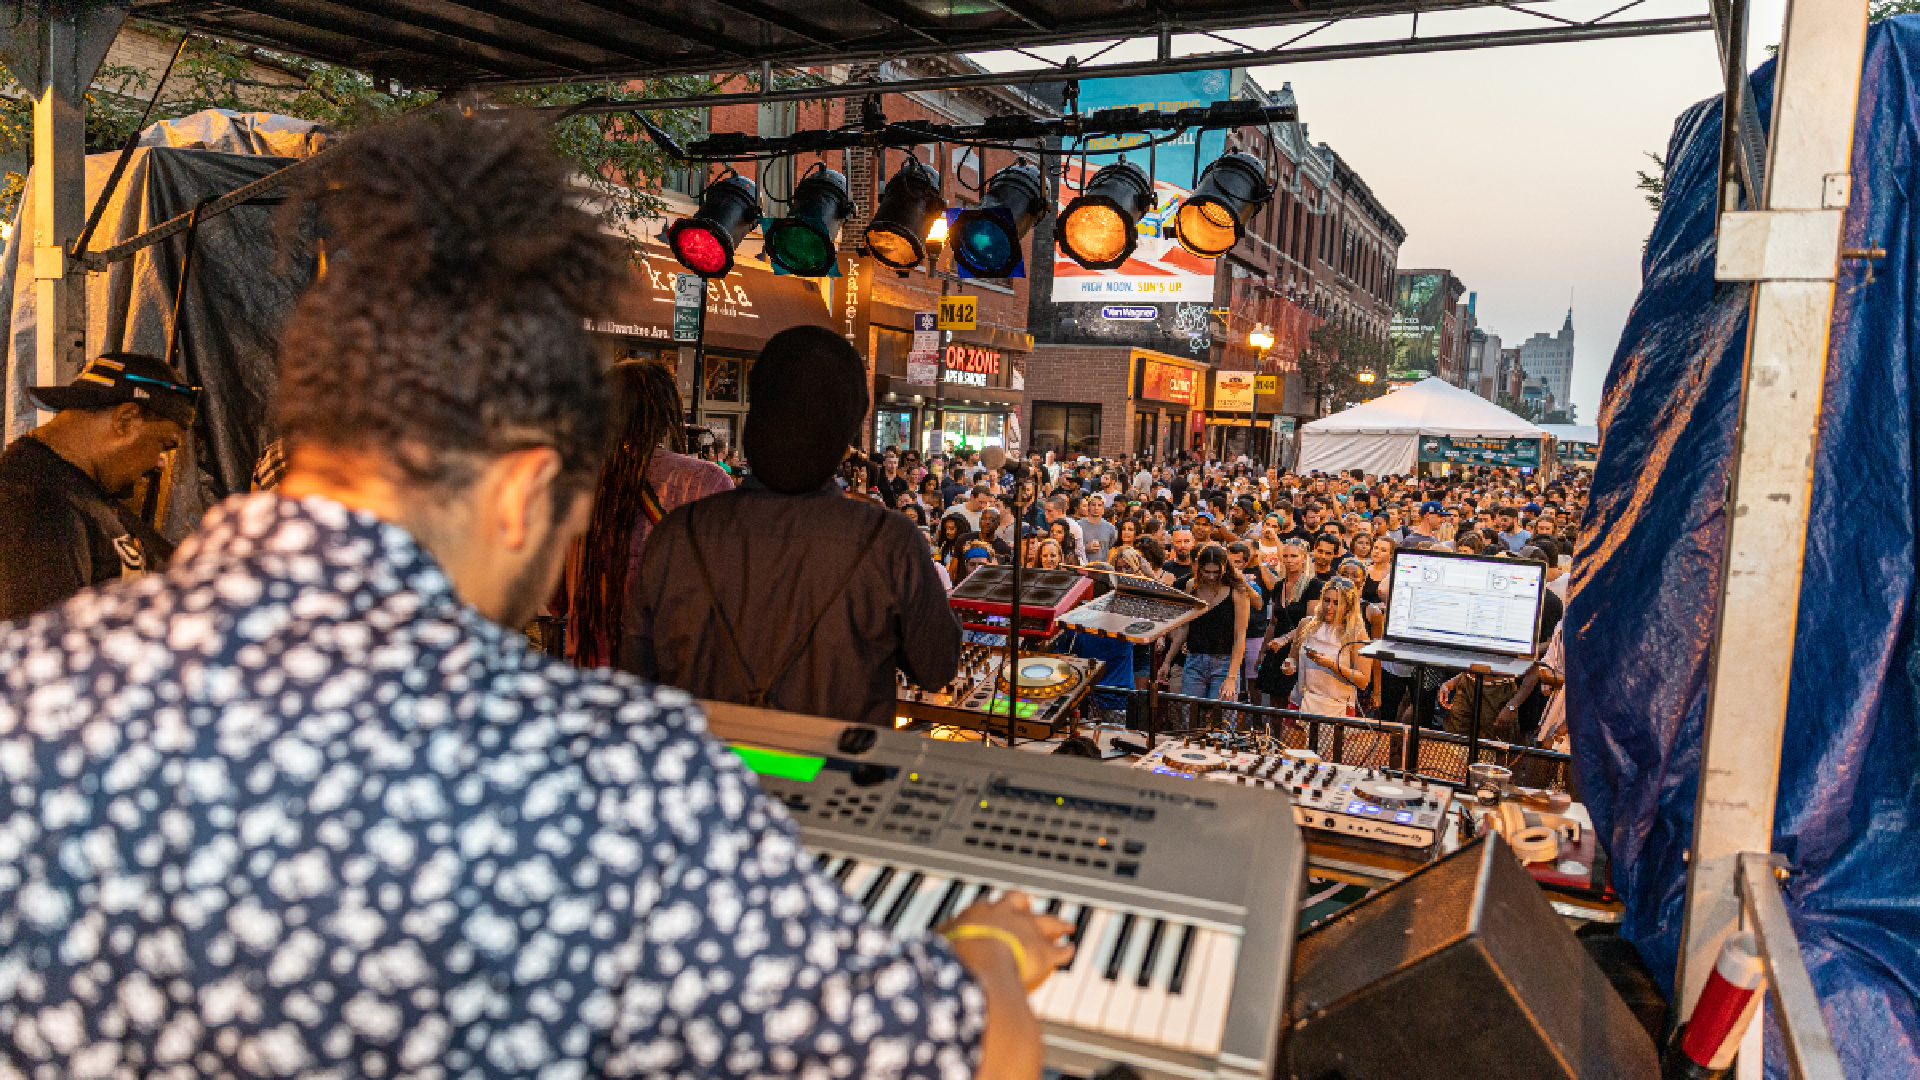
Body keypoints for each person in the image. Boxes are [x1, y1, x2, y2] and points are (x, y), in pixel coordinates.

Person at [0, 110, 1068, 1079]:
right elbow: (968, 1055)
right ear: (518, 492)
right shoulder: (622, 784)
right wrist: (988, 953)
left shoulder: (25, 695)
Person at [631, 326, 963, 727]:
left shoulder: (676, 536)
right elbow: (938, 668)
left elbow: (634, 677)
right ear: (843, 440)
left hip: (705, 778)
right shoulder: (890, 543)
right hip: (830, 778)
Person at [560, 360, 731, 667]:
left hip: (589, 678)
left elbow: (555, 597)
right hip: (673, 681)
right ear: (667, 415)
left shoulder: (576, 482)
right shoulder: (708, 481)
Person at [0, 352, 194, 621]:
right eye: (165, 444)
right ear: (125, 420)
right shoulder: (33, 504)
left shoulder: (82, 492)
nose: (160, 463)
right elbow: (42, 647)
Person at [1157, 544, 1253, 705]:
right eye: (1206, 572)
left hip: (1224, 661)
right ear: (1198, 568)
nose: (1211, 577)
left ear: (1224, 568)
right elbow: (1184, 628)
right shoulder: (1192, 586)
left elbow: (1240, 636)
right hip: (1195, 659)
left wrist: (1231, 677)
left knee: (1222, 720)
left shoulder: (1237, 591)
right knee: (1190, 717)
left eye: (1216, 572)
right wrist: (1167, 661)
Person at [1282, 576, 1375, 716]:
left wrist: (1331, 665)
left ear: (1348, 606)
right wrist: (1288, 666)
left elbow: (1363, 680)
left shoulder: (1357, 634)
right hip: (1301, 703)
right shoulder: (1306, 624)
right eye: (1326, 600)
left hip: (1337, 708)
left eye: (1336, 603)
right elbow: (1292, 658)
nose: (1329, 607)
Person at [1078, 493, 1117, 563]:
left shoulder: (1111, 528)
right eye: (1093, 505)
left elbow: (1110, 547)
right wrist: (1085, 549)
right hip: (1084, 567)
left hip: (1103, 568)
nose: (1096, 508)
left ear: (1103, 508)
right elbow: (1072, 549)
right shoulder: (1079, 525)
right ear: (1089, 506)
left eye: (1099, 505)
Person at [1163, 526, 1196, 590]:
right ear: (1172, 544)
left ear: (1193, 543)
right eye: (1178, 541)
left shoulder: (1199, 568)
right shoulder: (1165, 568)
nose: (1183, 545)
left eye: (1186, 541)